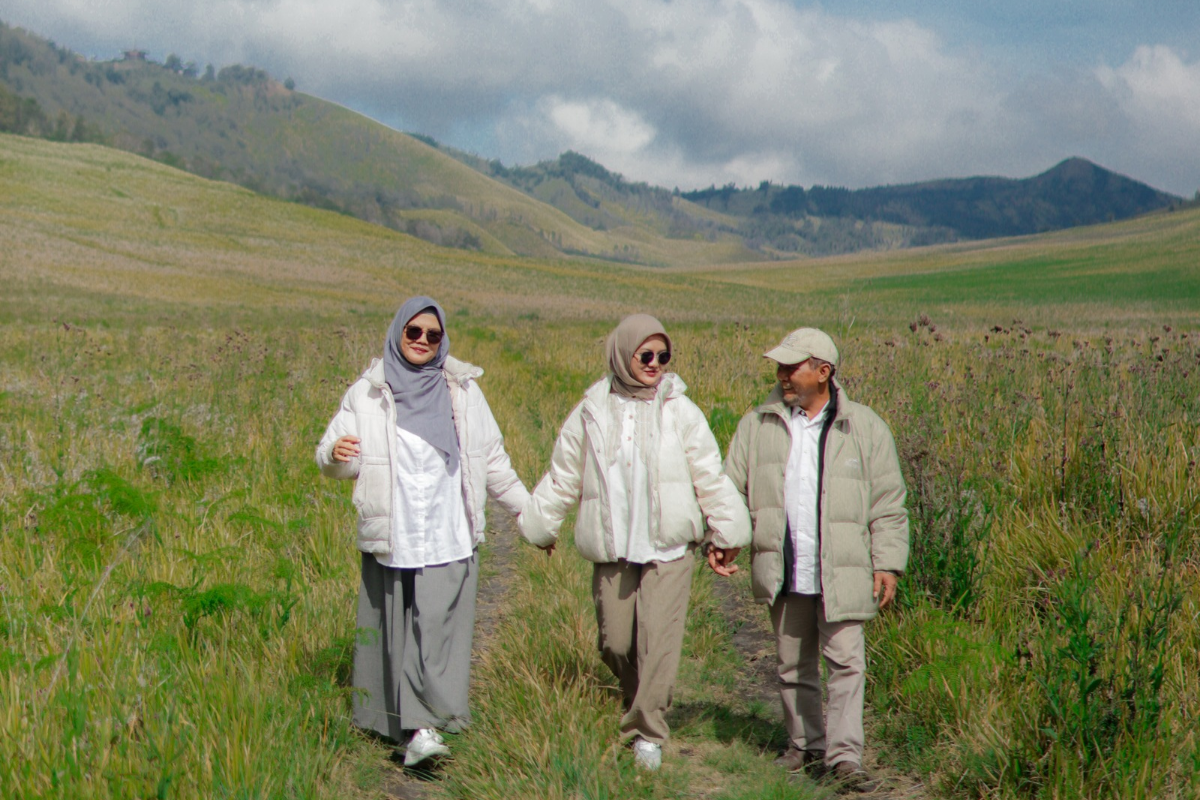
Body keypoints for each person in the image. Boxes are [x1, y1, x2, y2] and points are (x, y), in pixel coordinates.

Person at [518, 313, 751, 771]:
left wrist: (727, 532)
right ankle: (639, 696)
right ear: (622, 354)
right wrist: (543, 525)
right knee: (615, 643)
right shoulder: (591, 409)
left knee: (657, 642)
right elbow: (564, 473)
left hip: (669, 547)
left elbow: (709, 473)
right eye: (645, 355)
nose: (655, 364)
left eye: (664, 356)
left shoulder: (681, 410)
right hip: (614, 548)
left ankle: (647, 731)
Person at [315, 296, 530, 766]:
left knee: (433, 628)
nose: (422, 341)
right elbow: (333, 454)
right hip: (394, 534)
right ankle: (408, 726)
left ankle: (423, 727)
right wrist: (335, 455)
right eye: (413, 331)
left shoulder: (463, 391)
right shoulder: (368, 392)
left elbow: (493, 461)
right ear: (397, 332)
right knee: (395, 633)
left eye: (433, 335)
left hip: (448, 531)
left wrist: (530, 517)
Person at [722, 327, 908, 791]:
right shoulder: (756, 425)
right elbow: (730, 491)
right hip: (785, 567)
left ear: (824, 371)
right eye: (780, 368)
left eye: (792, 367)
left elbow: (888, 502)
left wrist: (887, 562)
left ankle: (845, 758)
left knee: (846, 663)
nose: (782, 376)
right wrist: (724, 538)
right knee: (791, 664)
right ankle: (805, 746)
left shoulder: (865, 427)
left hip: (844, 570)